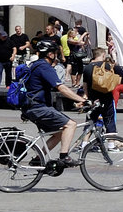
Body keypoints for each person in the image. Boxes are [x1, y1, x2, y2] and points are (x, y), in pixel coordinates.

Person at [20, 37, 87, 168]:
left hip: (32, 106)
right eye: (55, 53)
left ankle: (38, 159)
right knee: (71, 125)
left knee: (59, 133)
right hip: (37, 107)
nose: (56, 56)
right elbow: (61, 88)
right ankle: (64, 157)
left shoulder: (36, 65)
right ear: (50, 54)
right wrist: (82, 99)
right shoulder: (44, 67)